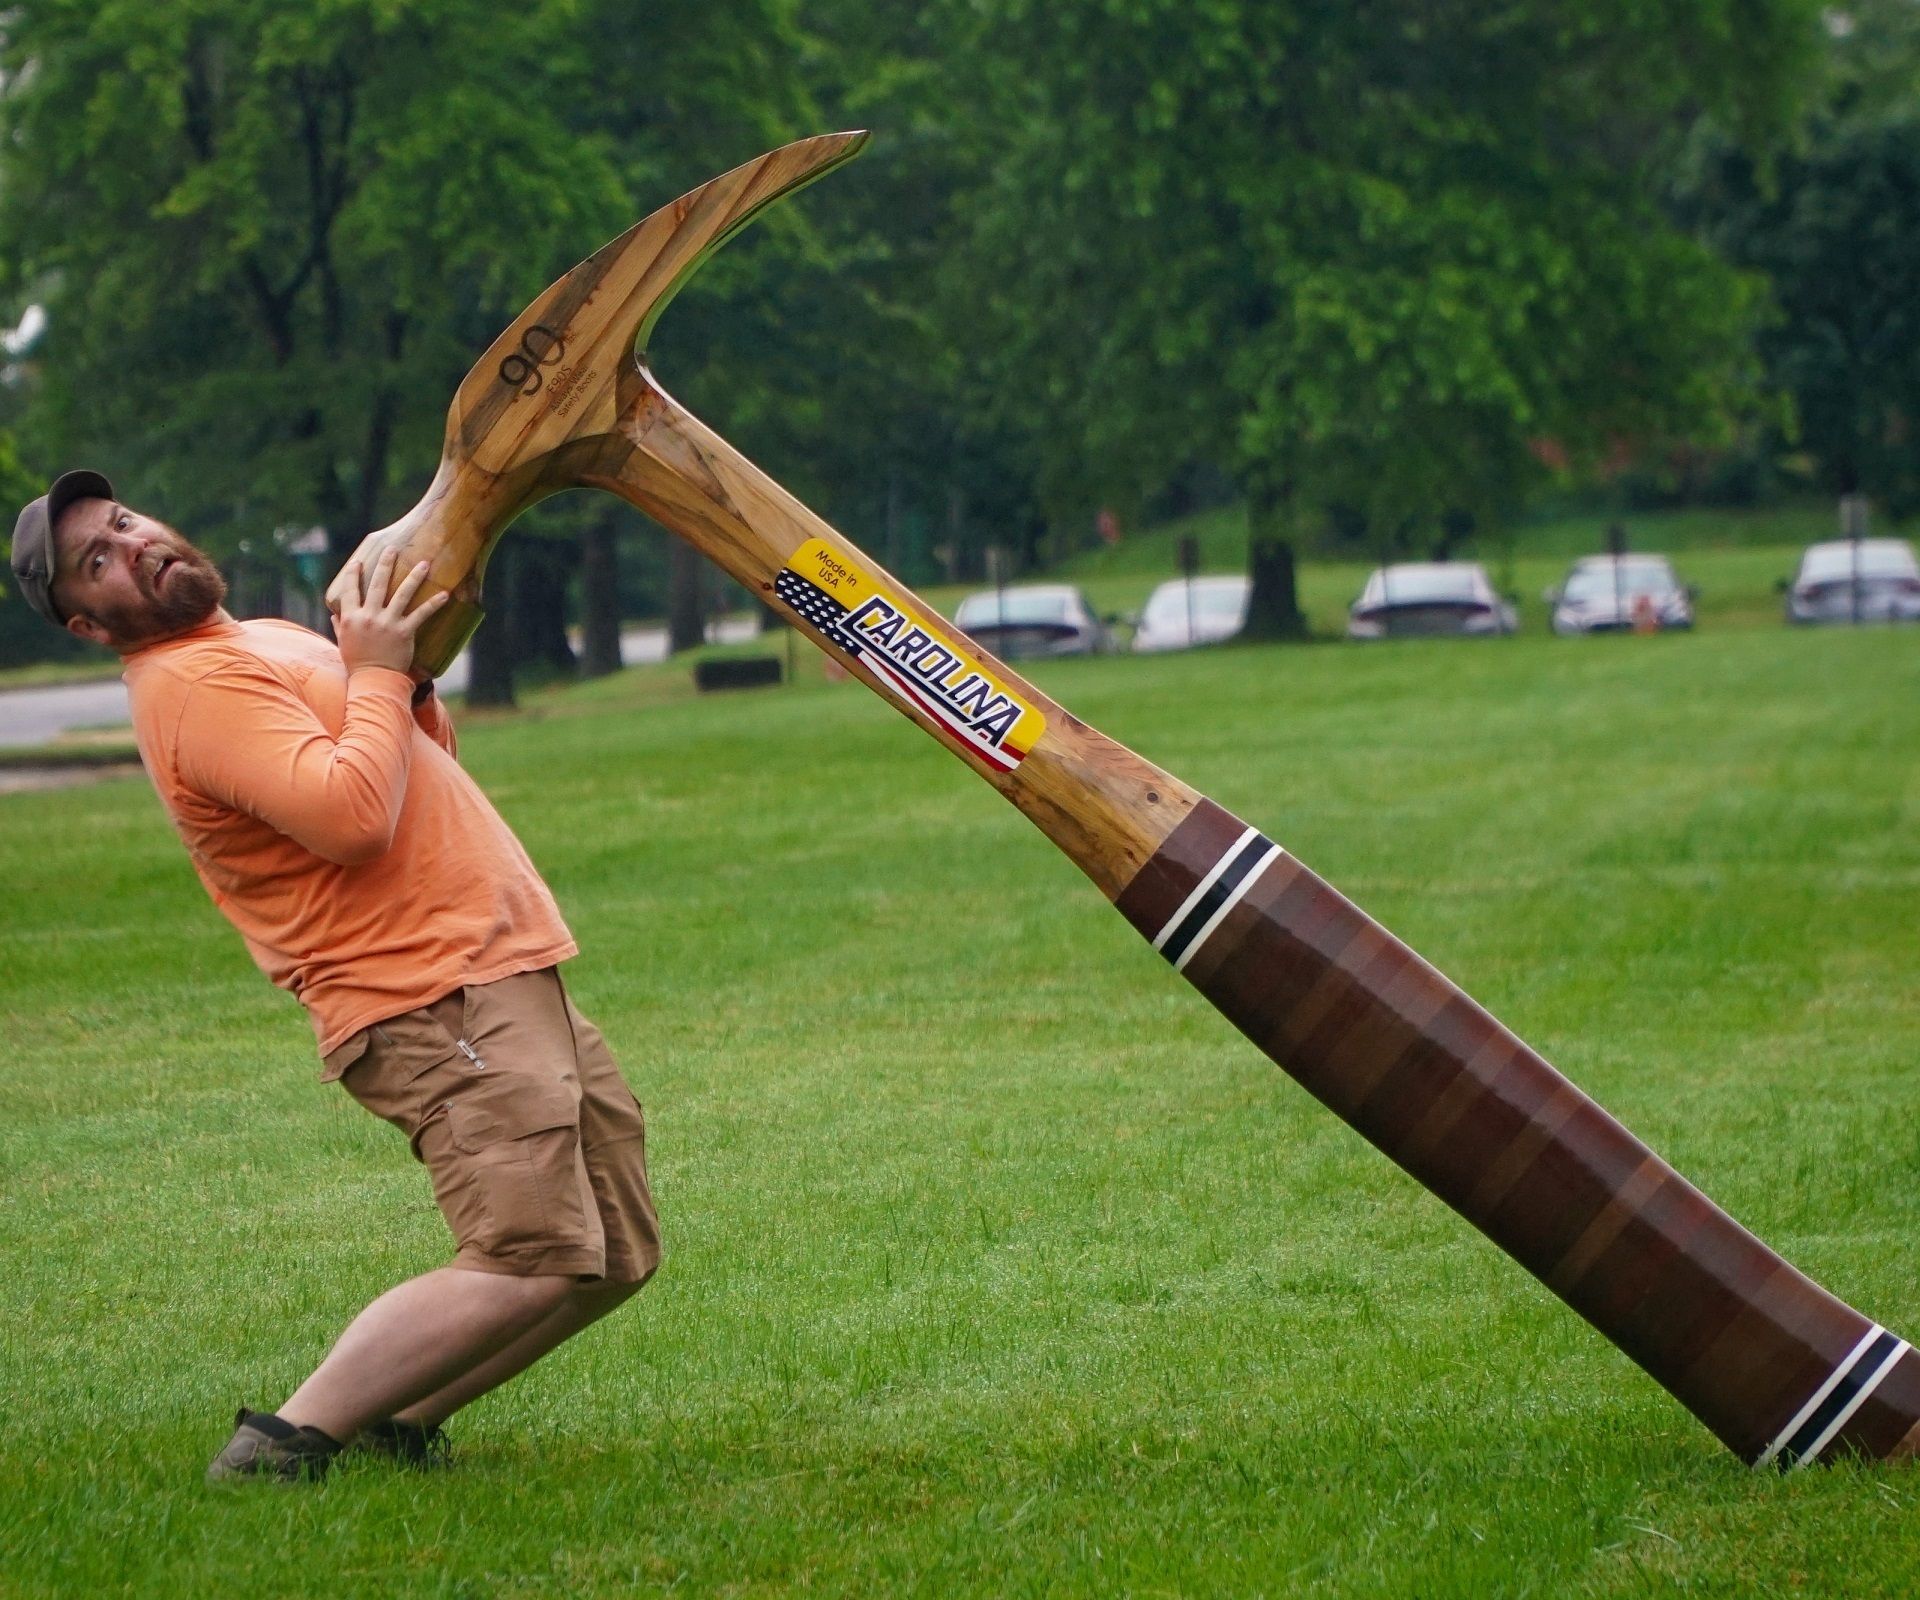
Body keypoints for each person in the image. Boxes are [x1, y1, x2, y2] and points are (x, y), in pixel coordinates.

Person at [9, 471, 660, 1481]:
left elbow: (410, 755)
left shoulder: (259, 638)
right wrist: (378, 674)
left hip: (497, 961)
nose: (134, 545)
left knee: (615, 1249)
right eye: (99, 560)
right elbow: (350, 818)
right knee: (532, 1252)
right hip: (424, 990)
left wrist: (405, 679)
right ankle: (284, 1444)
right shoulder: (191, 686)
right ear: (92, 625)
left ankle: (398, 1421)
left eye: (126, 522)